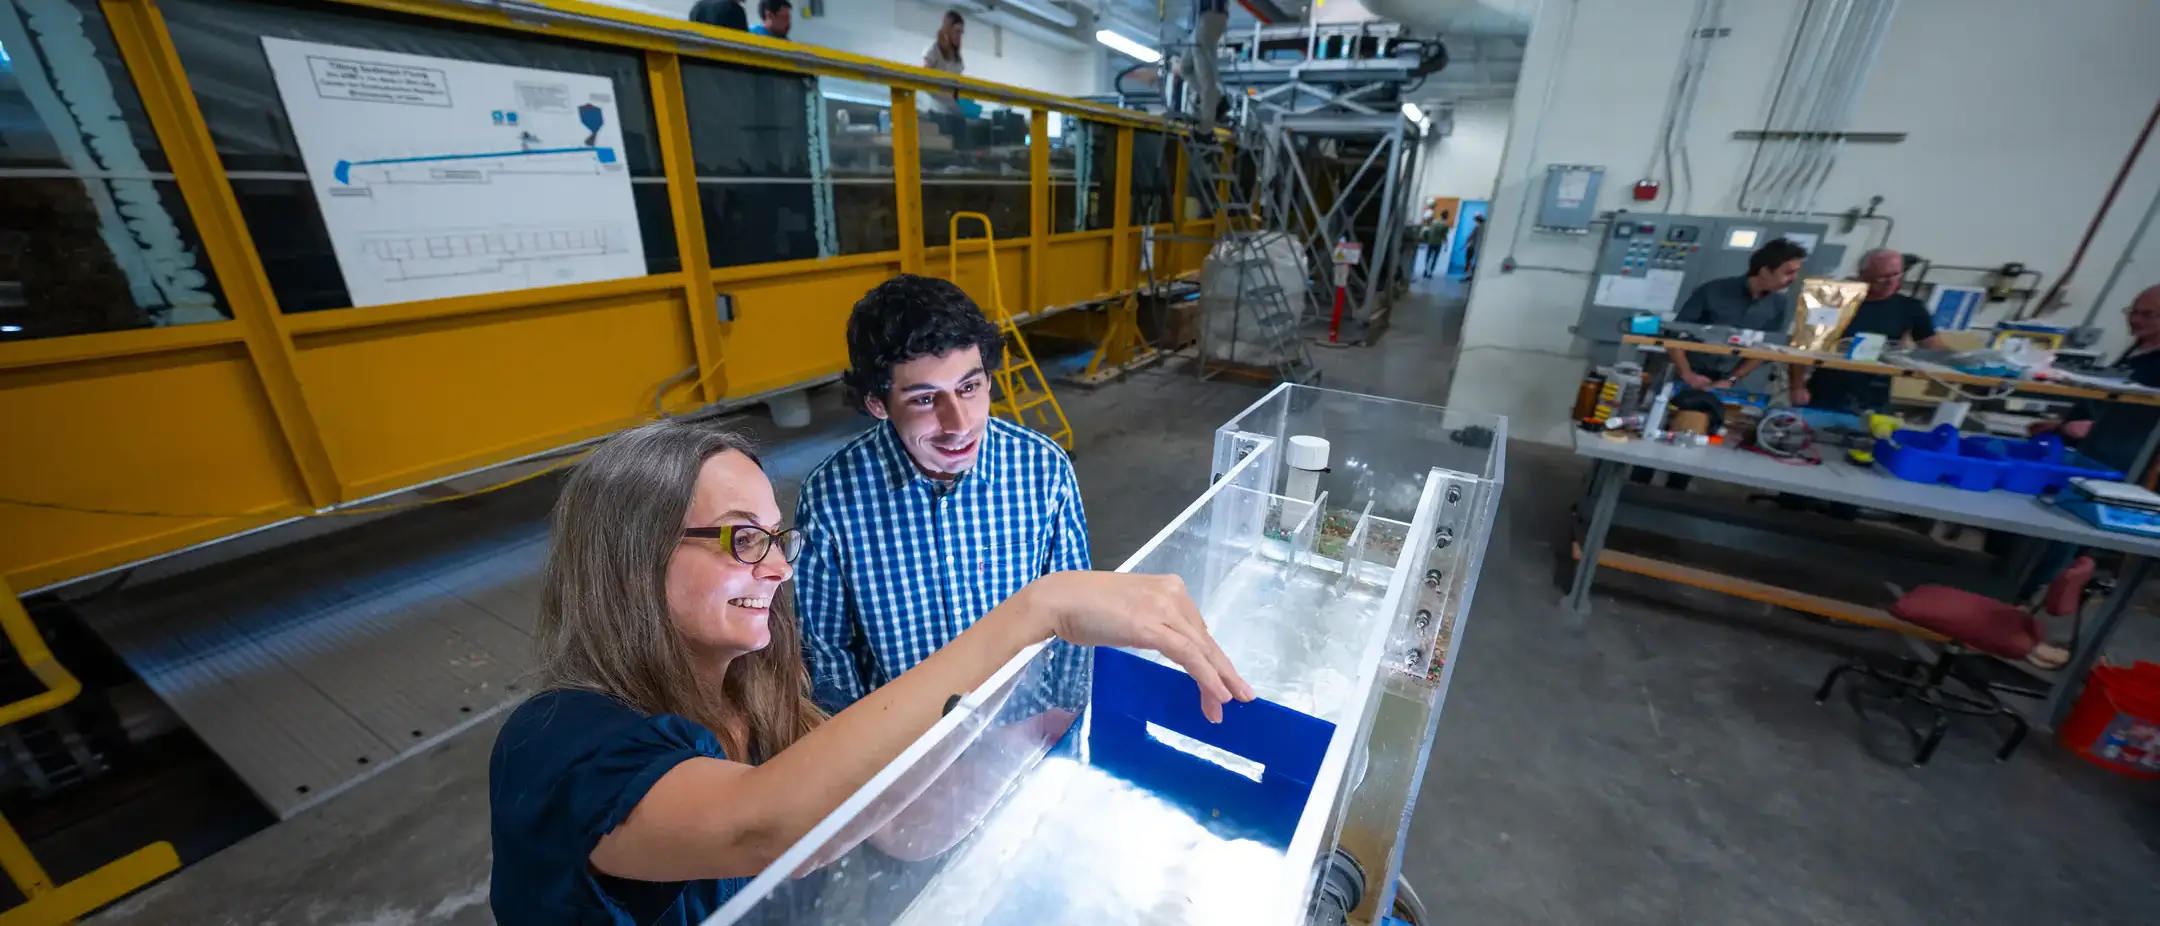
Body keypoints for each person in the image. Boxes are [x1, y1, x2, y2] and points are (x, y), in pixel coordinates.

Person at [488, 418, 1250, 925]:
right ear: (630, 559)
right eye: (741, 538)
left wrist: (1026, 746)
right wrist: (1034, 611)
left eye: (776, 537)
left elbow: (879, 828)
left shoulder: (752, 697)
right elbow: (761, 826)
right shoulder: (559, 745)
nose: (781, 567)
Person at [796, 275, 1091, 714]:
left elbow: (1074, 615)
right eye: (924, 399)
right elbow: (826, 655)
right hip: (900, 748)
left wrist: (1060, 719)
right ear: (877, 403)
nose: (958, 423)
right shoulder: (831, 500)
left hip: (1024, 728)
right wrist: (870, 762)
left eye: (969, 388)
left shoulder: (1042, 472)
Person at [1633, 238, 1806, 490]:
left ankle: (1673, 495)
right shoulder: (1713, 291)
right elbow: (1673, 336)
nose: (1792, 279)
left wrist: (1732, 379)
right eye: (1787, 272)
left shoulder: (1778, 304)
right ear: (1765, 270)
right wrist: (1688, 374)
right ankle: (1636, 491)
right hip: (1682, 376)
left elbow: (1765, 348)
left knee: (1696, 444)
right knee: (1655, 438)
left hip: (1722, 382)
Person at [1789, 248, 1949, 413]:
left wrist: (1965, 362)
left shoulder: (1910, 308)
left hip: (1875, 395)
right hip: (1827, 390)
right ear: (1863, 275)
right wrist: (1796, 386)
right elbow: (1803, 345)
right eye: (1883, 277)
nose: (1891, 281)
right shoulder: (1834, 301)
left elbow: (1930, 344)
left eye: (1896, 274)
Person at [1183, 0, 1230, 132]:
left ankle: (1206, 124)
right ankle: (1215, 99)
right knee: (1186, 67)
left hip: (1210, 16)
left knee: (1204, 73)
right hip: (1200, 18)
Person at [922, 10, 965, 113]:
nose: (959, 36)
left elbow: (957, 84)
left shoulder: (957, 58)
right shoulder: (934, 50)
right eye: (957, 31)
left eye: (961, 32)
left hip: (951, 108)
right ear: (948, 30)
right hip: (934, 108)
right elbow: (923, 79)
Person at [1420, 211, 1451, 279]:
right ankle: (1430, 272)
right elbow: (1444, 236)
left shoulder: (1434, 222)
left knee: (1428, 257)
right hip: (1438, 244)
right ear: (1446, 217)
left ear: (1440, 215)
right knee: (1434, 258)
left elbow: (1427, 231)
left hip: (1430, 242)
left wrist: (1425, 240)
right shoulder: (1445, 225)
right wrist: (1446, 246)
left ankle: (1426, 270)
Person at [1462, 214, 1485, 279]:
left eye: (1475, 220)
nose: (1474, 221)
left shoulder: (1477, 226)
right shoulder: (1484, 226)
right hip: (1478, 246)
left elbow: (1471, 236)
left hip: (1472, 246)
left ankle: (1469, 274)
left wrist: (1465, 244)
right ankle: (1471, 274)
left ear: (1477, 220)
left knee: (1468, 260)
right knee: (1472, 260)